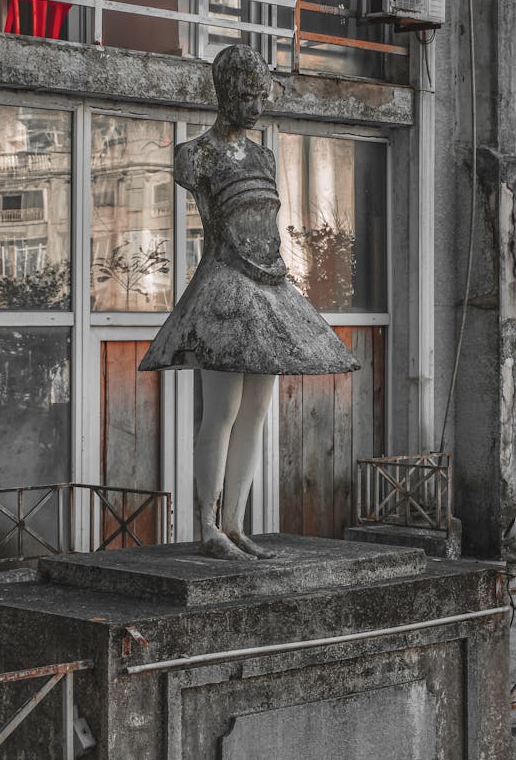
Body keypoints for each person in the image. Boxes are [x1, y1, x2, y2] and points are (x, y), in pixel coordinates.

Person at [140, 44, 358, 560]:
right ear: (224, 93)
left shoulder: (263, 155)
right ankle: (207, 525)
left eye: (262, 95)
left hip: (270, 284)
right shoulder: (196, 155)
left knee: (258, 410)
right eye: (247, 94)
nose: (257, 106)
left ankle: (235, 522)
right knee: (221, 410)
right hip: (225, 286)